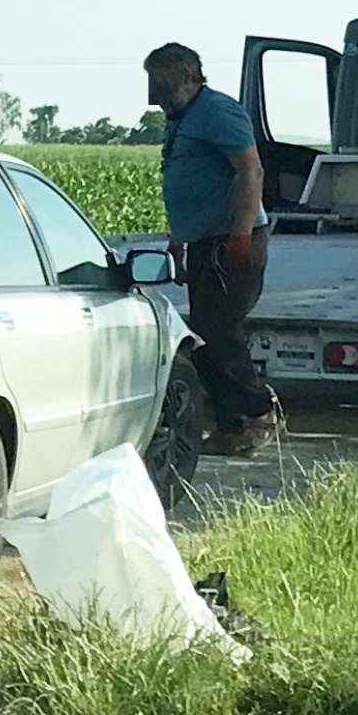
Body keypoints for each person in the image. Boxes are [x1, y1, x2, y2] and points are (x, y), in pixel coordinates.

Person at [143, 42, 282, 457]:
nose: (155, 97)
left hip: (232, 239)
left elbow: (251, 169)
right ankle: (231, 427)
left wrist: (240, 237)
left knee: (218, 332)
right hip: (204, 241)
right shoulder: (182, 119)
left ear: (187, 75)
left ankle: (259, 413)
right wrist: (178, 241)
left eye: (161, 84)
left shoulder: (217, 112)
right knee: (203, 333)